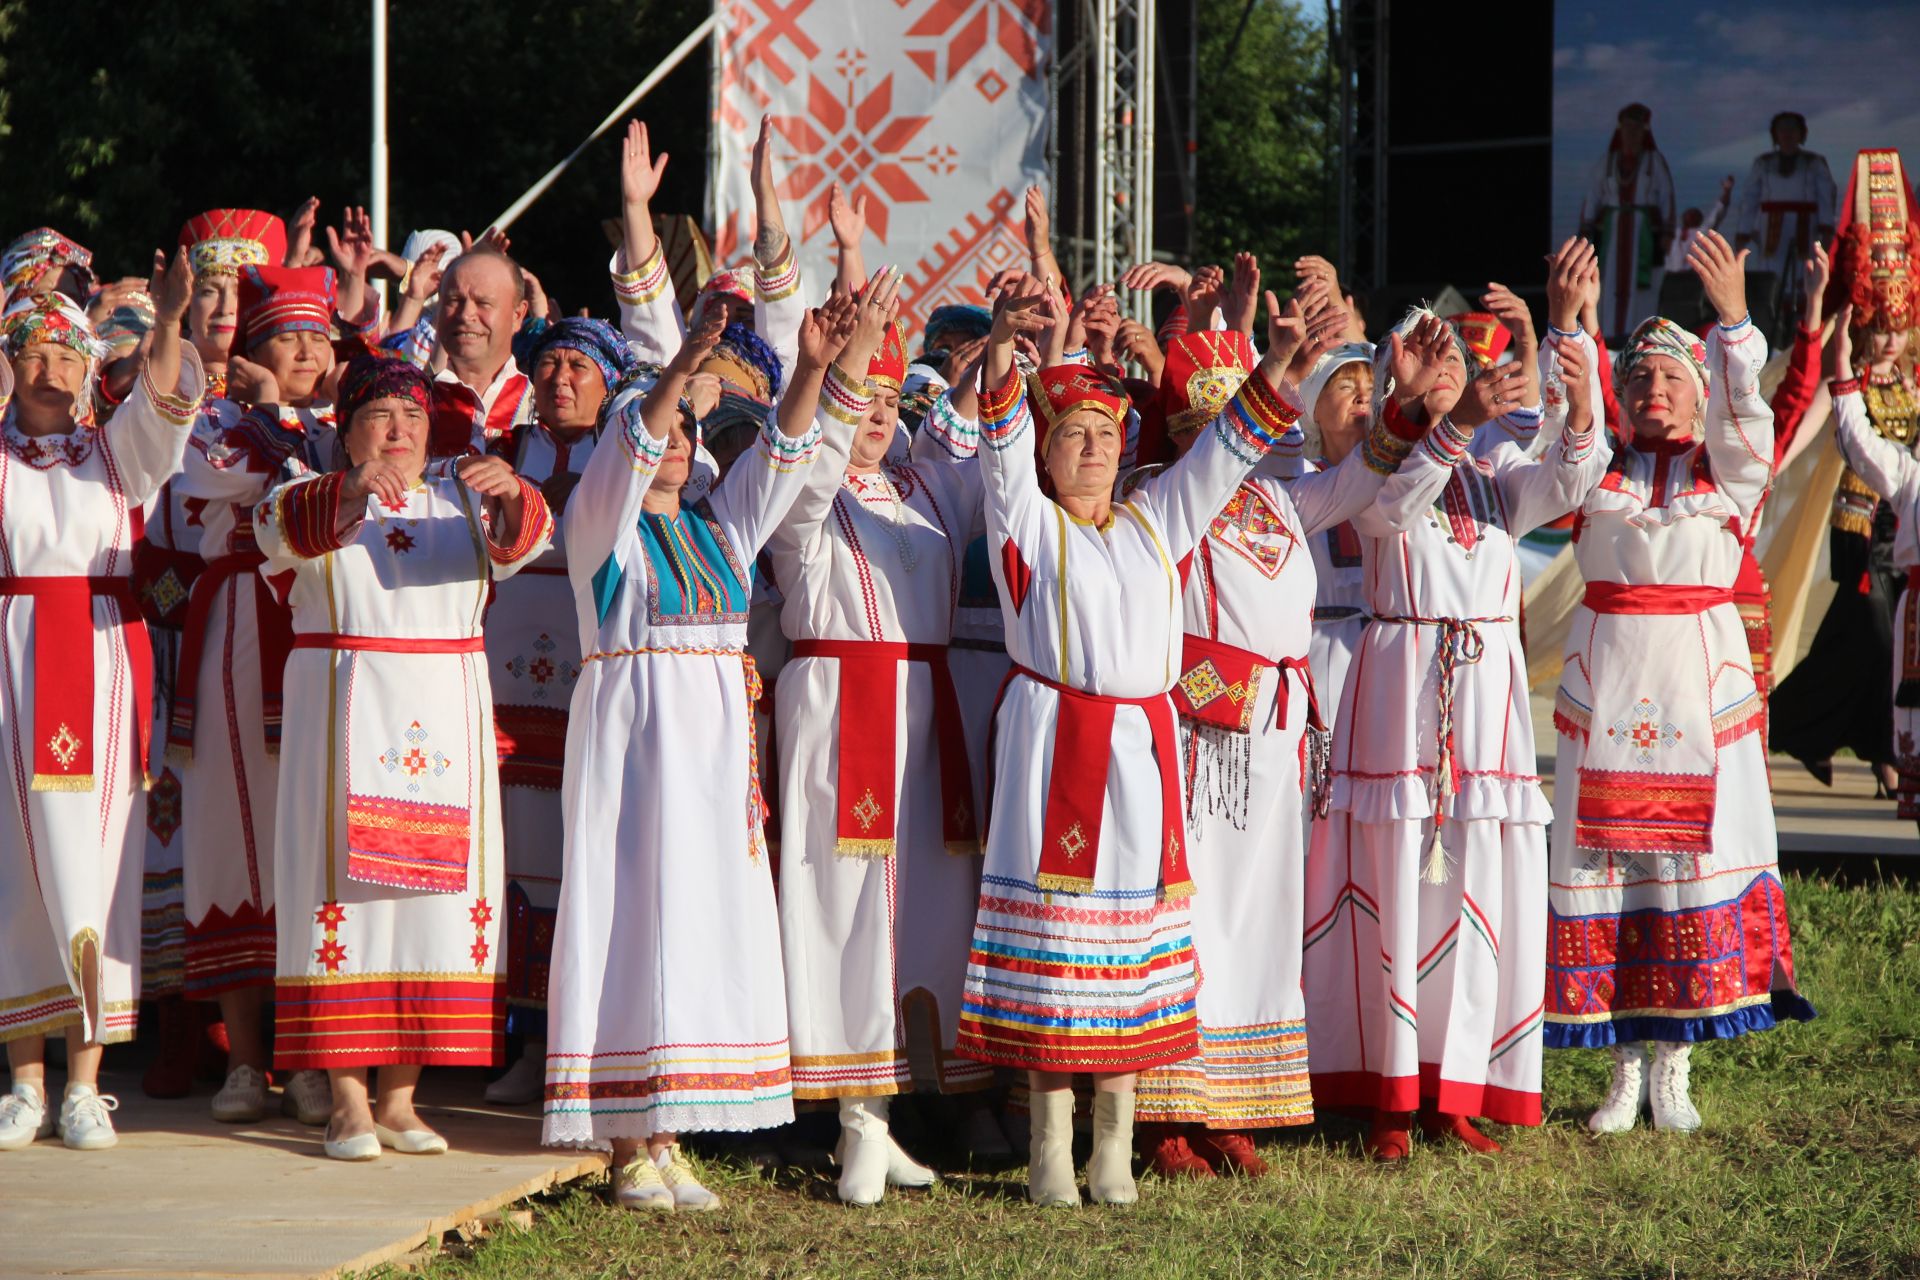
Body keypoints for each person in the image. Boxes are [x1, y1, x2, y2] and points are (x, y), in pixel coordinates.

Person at [951, 282, 1308, 1208]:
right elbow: (995, 451)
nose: (1096, 448)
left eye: (1108, 435)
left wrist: (1272, 368)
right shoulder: (1026, 525)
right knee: (1063, 948)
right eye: (1073, 434)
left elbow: (1222, 458)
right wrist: (999, 347)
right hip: (1056, 753)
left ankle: (1114, 1147)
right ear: (1047, 449)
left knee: (1131, 949)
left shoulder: (1156, 524)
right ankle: (1050, 1150)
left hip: (1139, 764)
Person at [1301, 242, 1607, 1163]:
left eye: (1460, 370)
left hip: (1487, 701)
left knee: (1476, 888)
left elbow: (1570, 475)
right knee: (1398, 887)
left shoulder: (1487, 480)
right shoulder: (1382, 470)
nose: (1454, 383)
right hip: (1402, 690)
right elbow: (1391, 510)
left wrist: (1569, 336)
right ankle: (1389, 1093)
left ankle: (1458, 1087)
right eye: (1435, 368)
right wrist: (1448, 417)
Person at [541, 296, 825, 1211]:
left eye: (679, 432)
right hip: (635, 752)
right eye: (651, 428)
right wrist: (678, 368)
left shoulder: (718, 528)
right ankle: (626, 1141)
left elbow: (782, 462)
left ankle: (667, 1130)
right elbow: (622, 459)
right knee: (634, 922)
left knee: (699, 923)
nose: (667, 443)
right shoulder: (601, 530)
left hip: (711, 761)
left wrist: (821, 365)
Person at [1546, 230, 1816, 1133]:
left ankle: (1677, 1069)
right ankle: (1623, 1067)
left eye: (1672, 381)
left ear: (1702, 400)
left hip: (1702, 702)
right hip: (1608, 691)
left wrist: (1737, 321)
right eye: (1639, 383)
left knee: (1684, 873)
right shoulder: (1599, 478)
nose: (1654, 393)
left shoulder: (1729, 481)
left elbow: (1753, 424)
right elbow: (1566, 431)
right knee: (1615, 878)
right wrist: (1571, 332)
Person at [256, 355, 552, 1161]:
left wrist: (513, 493)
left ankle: (399, 1098)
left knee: (433, 911)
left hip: (443, 729)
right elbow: (275, 533)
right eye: (379, 417)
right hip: (344, 721)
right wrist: (350, 491)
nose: (397, 432)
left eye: (413, 419)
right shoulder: (305, 490)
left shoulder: (461, 505)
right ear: (345, 430)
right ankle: (345, 1100)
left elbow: (529, 542)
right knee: (343, 907)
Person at [1132, 310, 1393, 1178]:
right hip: (1204, 737)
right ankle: (1167, 1113)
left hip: (1278, 739)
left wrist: (1431, 411)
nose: (1232, 436)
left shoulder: (1282, 499)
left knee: (1261, 919)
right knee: (1195, 917)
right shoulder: (1162, 499)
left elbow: (1365, 478)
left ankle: (1234, 1106)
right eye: (1214, 421)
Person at [765, 271, 990, 1204]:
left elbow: (972, 450)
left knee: (922, 913)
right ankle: (856, 1118)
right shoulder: (806, 498)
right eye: (862, 394)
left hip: (924, 714)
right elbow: (810, 472)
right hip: (840, 707)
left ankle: (895, 1110)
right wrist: (847, 357)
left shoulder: (923, 494)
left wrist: (1007, 343)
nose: (873, 413)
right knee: (845, 908)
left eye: (891, 398)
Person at [0, 252, 203, 1152]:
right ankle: (24, 1080)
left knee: (96, 858)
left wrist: (165, 324)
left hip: (98, 659)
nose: (51, 370)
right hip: (9, 661)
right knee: (13, 863)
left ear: (90, 367)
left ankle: (86, 1083)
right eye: (33, 353)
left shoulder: (113, 453)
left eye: (68, 355)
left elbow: (165, 414)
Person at [171, 264, 339, 1126]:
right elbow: (227, 483)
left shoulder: (354, 424)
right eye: (286, 335)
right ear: (251, 349)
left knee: (308, 840)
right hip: (239, 620)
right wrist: (271, 409)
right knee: (233, 835)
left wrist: (287, 415)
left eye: (318, 335)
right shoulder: (214, 424)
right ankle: (243, 1059)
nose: (306, 349)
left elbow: (329, 489)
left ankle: (311, 1058)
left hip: (322, 630)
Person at [479, 316, 639, 1107]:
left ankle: (579, 1048)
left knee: (579, 855)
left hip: (588, 677)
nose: (560, 379)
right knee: (515, 859)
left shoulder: (627, 459)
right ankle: (523, 1040)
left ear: (611, 383)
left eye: (579, 366)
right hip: (505, 685)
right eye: (548, 365)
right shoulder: (505, 455)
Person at [1770, 150, 1920, 794]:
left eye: (1898, 328)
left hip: (1907, 524)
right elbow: (1815, 424)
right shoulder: (1847, 377)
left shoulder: (1913, 378)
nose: (1888, 340)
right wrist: (1772, 464)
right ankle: (1872, 751)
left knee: (1863, 648)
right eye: (1879, 327)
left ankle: (1805, 731)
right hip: (1859, 523)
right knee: (1877, 638)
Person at [1732, 112, 1837, 347]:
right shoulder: (1763, 163)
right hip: (1772, 235)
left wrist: (1827, 230)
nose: (1788, 135)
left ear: (1802, 134)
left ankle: (1800, 336)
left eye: (1793, 130)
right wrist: (1743, 233)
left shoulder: (1814, 163)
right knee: (1774, 283)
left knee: (1803, 282)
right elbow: (1749, 198)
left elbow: (1825, 197)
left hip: (1804, 232)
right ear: (1775, 135)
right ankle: (1772, 337)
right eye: (1782, 130)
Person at [1578, 104, 1675, 345]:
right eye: (1627, 128)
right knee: (1608, 282)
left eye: (1637, 128)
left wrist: (1667, 232)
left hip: (1641, 233)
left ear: (1644, 132)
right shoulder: (1608, 161)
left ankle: (1638, 335)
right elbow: (1592, 196)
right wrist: (1586, 228)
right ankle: (1608, 335)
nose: (1632, 134)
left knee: (1641, 287)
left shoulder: (1654, 161)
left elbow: (1667, 197)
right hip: (1613, 231)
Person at [428, 246, 534, 456]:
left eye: (483, 303)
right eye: (453, 301)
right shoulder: (411, 404)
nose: (466, 314)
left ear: (518, 315)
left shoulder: (542, 407)